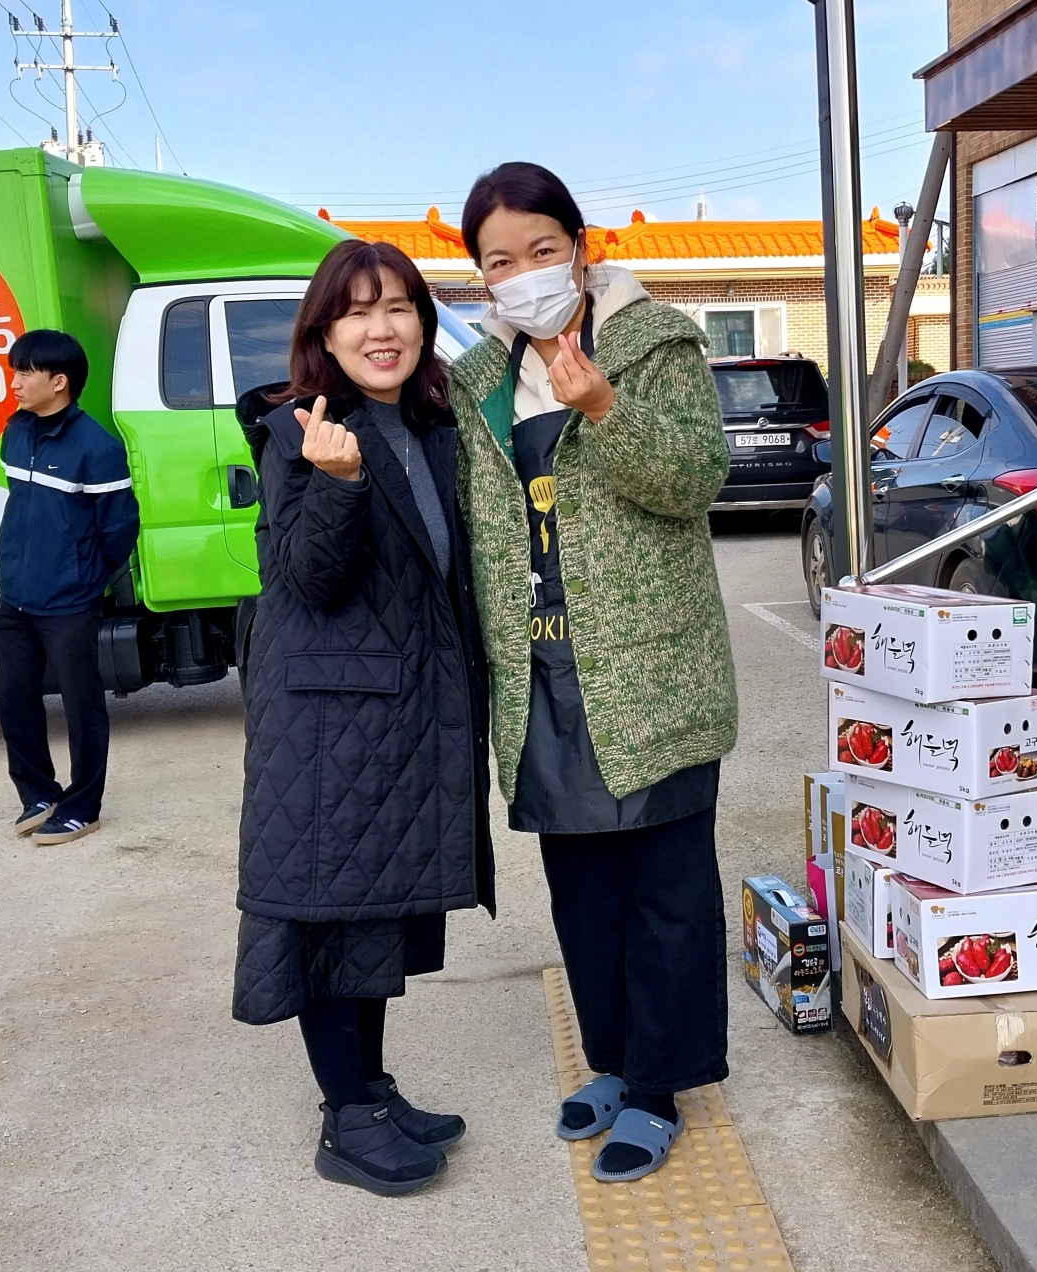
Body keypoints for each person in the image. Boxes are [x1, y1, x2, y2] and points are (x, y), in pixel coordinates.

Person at [447, 163, 737, 1185]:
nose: (523, 274)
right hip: (540, 674)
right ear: (480, 278)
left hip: (650, 668)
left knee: (665, 890)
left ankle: (659, 1087)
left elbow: (697, 479)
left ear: (580, 248)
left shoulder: (654, 346)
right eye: (499, 261)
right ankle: (612, 1062)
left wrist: (606, 407)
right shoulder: (476, 383)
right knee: (581, 892)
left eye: (541, 250)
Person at [232, 239, 494, 1198]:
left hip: (395, 715)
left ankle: (372, 1092)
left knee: (370, 914)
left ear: (423, 321)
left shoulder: (427, 423)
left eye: (397, 308)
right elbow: (307, 578)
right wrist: (336, 484)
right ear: (324, 332)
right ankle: (346, 1118)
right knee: (328, 915)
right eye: (356, 312)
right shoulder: (300, 428)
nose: (380, 329)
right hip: (326, 725)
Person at [0, 329, 140, 846]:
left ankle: (82, 808)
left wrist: (85, 579)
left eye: (25, 372)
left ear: (59, 382)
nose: (15, 382)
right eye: (14, 371)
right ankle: (38, 794)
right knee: (12, 699)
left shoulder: (96, 448)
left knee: (82, 708)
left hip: (69, 601)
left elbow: (119, 529)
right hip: (15, 595)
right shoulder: (16, 431)